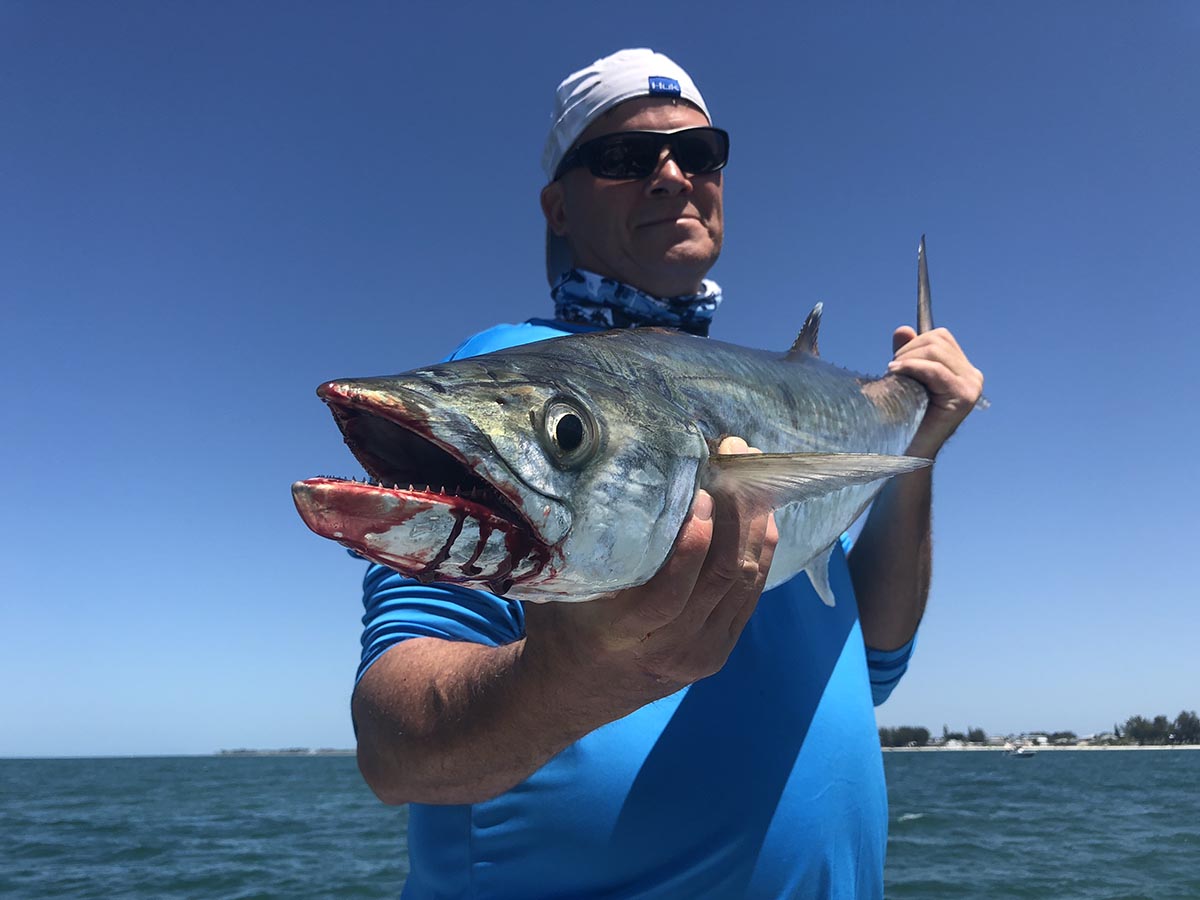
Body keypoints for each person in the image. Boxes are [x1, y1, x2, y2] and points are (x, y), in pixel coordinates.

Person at [351, 49, 983, 899]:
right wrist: (570, 677)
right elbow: (396, 747)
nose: (671, 175)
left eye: (701, 153)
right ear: (557, 206)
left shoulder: (756, 397)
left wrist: (919, 443)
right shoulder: (512, 381)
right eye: (622, 158)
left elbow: (874, 663)